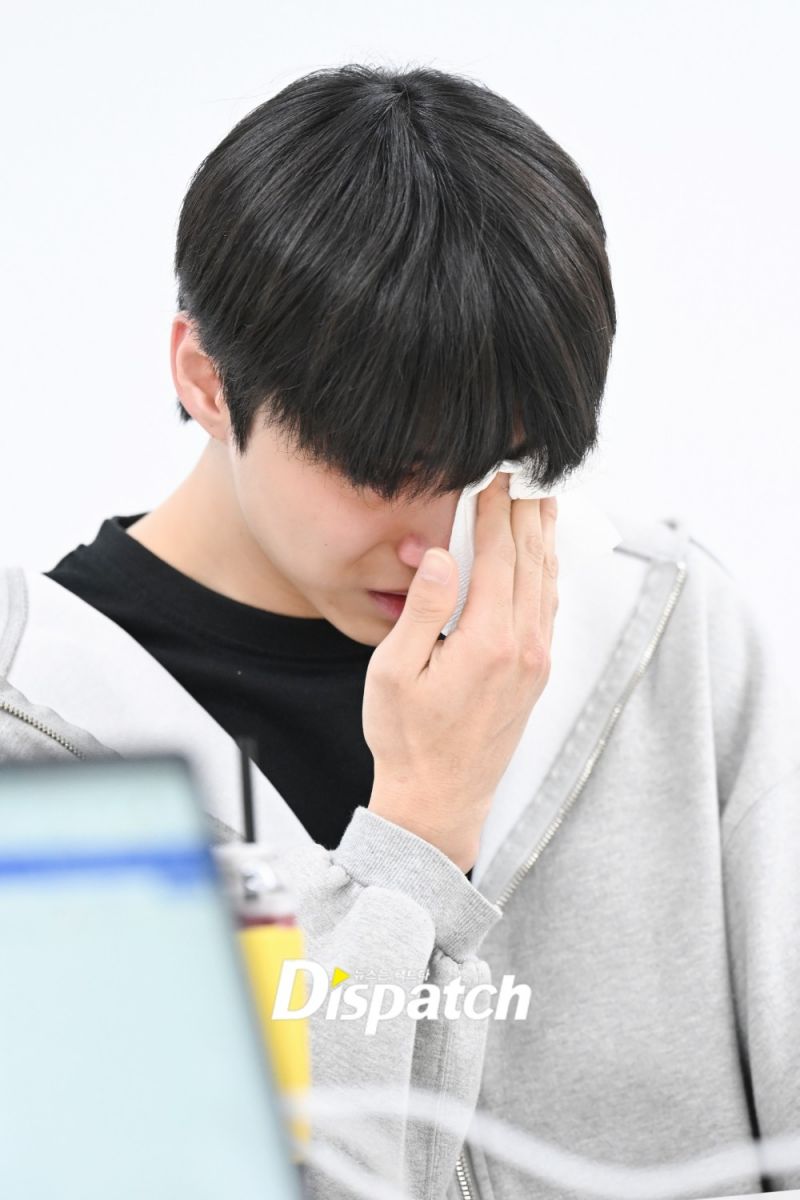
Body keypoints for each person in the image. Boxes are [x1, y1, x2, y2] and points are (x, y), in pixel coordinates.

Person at [1, 64, 798, 1200]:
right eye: (384, 471)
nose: (439, 544)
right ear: (207, 381)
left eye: (495, 464)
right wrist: (419, 833)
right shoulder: (39, 742)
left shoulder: (668, 632)